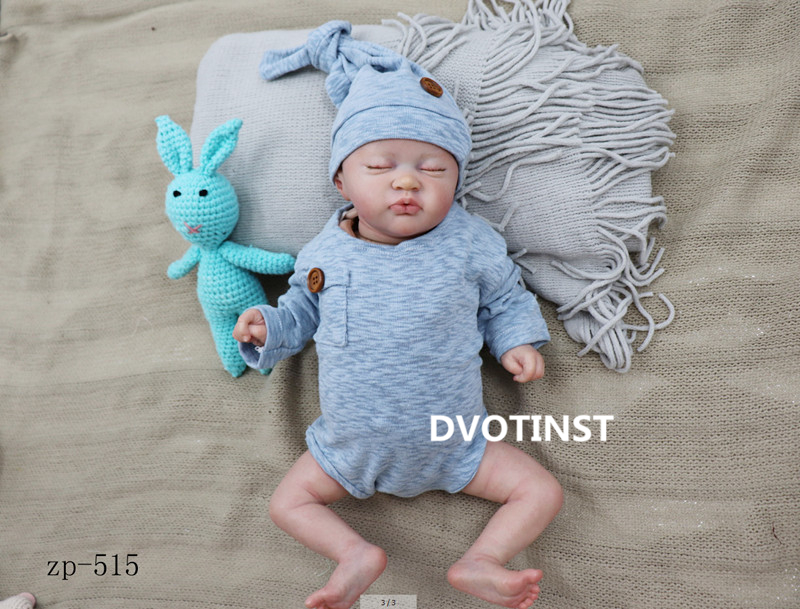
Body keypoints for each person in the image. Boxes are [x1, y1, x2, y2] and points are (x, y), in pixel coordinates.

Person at [234, 21, 563, 609]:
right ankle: (354, 555)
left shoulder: (470, 242)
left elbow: (506, 297)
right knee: (287, 502)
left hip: (457, 444)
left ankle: (483, 559)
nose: (407, 180)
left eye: (434, 169)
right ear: (342, 180)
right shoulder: (326, 252)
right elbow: (300, 310)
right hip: (347, 449)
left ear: (457, 178)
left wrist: (517, 341)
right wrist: (268, 326)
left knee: (540, 491)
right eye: (381, 166)